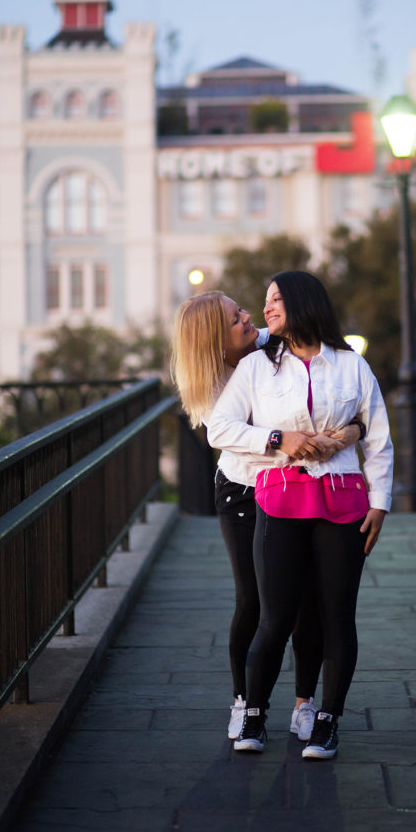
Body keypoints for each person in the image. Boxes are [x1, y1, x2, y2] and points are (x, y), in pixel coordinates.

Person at [207, 271, 393, 760]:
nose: (265, 309)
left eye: (275, 300)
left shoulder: (353, 366)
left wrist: (381, 503)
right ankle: (252, 716)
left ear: (303, 303)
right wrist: (277, 440)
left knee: (335, 616)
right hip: (279, 498)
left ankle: (326, 721)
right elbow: (220, 427)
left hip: (343, 500)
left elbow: (378, 436)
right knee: (274, 616)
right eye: (263, 300)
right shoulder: (257, 368)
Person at [170, 290, 360, 741]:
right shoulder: (214, 381)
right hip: (243, 490)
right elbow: (226, 432)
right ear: (215, 339)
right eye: (237, 317)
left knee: (307, 603)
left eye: (242, 309)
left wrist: (353, 429)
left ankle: (305, 704)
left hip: (296, 488)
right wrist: (279, 438)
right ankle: (245, 702)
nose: (248, 316)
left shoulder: (271, 349)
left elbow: (335, 396)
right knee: (254, 602)